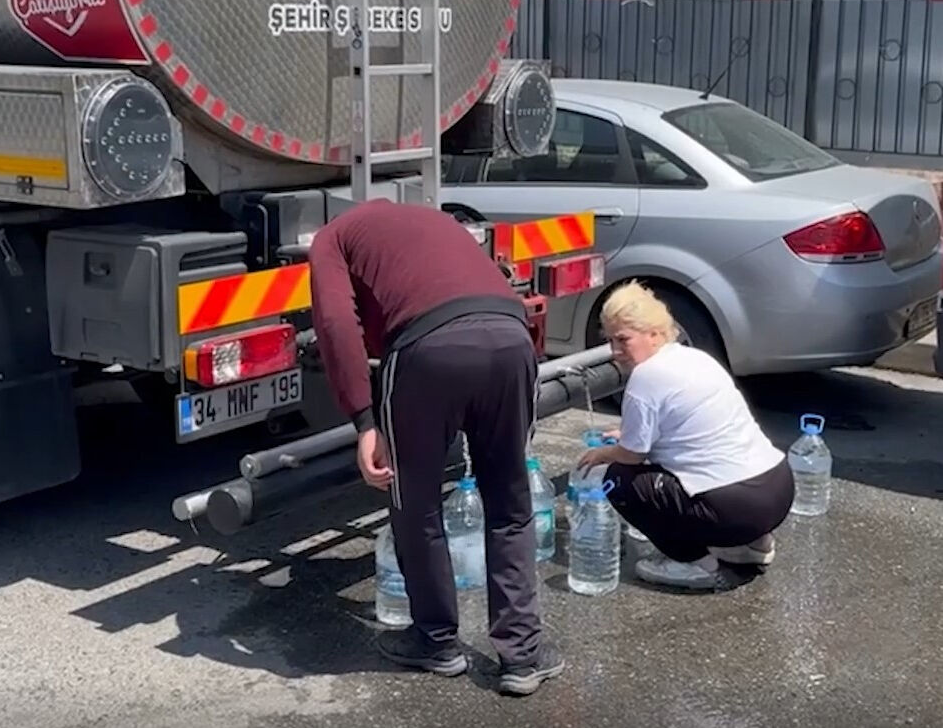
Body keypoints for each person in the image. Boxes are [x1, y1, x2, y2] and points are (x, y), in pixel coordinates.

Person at [309, 198, 564, 696]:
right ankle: (522, 657)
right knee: (510, 503)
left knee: (416, 505)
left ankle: (435, 641)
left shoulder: (331, 239)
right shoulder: (432, 219)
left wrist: (364, 420)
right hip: (511, 340)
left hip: (428, 352)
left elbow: (338, 324)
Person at [576, 280, 795, 591]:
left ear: (653, 333)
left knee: (619, 480)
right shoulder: (694, 358)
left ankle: (696, 566)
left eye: (623, 340)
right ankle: (756, 546)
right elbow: (689, 422)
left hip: (735, 506)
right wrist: (627, 434)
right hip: (777, 490)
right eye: (610, 341)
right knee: (692, 472)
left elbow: (632, 455)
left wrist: (603, 453)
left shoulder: (644, 377)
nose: (615, 351)